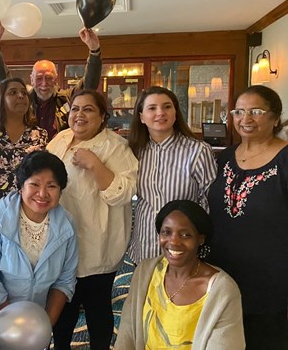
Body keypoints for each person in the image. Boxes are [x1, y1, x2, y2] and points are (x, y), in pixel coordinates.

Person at [112, 86, 217, 339]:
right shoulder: (134, 150)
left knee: (179, 309)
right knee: (146, 309)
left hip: (183, 244)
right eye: (152, 108)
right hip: (146, 242)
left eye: (167, 106)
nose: (160, 113)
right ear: (141, 116)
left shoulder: (197, 151)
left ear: (175, 111)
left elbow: (210, 200)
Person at [47, 90, 138, 349]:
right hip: (61, 242)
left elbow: (124, 193)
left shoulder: (116, 146)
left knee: (97, 308)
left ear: (102, 117)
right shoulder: (60, 140)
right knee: (63, 308)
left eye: (88, 109)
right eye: (75, 109)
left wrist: (96, 165)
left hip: (99, 244)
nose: (79, 115)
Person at [207, 85, 288, 349]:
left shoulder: (285, 159)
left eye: (256, 111)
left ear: (275, 117)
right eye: (239, 112)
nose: (246, 119)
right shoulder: (226, 158)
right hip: (224, 269)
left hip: (271, 279)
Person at [0, 151, 78, 327]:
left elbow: (65, 280)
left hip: (36, 318)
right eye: (34, 184)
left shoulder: (67, 224)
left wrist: (45, 324)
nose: (42, 194)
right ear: (21, 187)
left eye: (51, 186)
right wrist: (14, 324)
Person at [116, 200, 245, 349]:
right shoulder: (146, 272)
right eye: (166, 232)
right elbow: (127, 331)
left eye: (185, 235)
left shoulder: (222, 291)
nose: (174, 241)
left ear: (200, 239)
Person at [0, 21, 102, 139]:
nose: (44, 83)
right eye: (39, 78)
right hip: (28, 155)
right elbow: (3, 85)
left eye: (48, 78)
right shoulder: (23, 99)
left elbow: (89, 87)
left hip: (60, 155)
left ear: (55, 79)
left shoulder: (67, 99)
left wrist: (94, 51)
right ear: (31, 79)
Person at [0, 77, 47, 227]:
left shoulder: (39, 135)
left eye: (23, 93)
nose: (20, 96)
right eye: (12, 92)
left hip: (26, 212)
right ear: (0, 99)